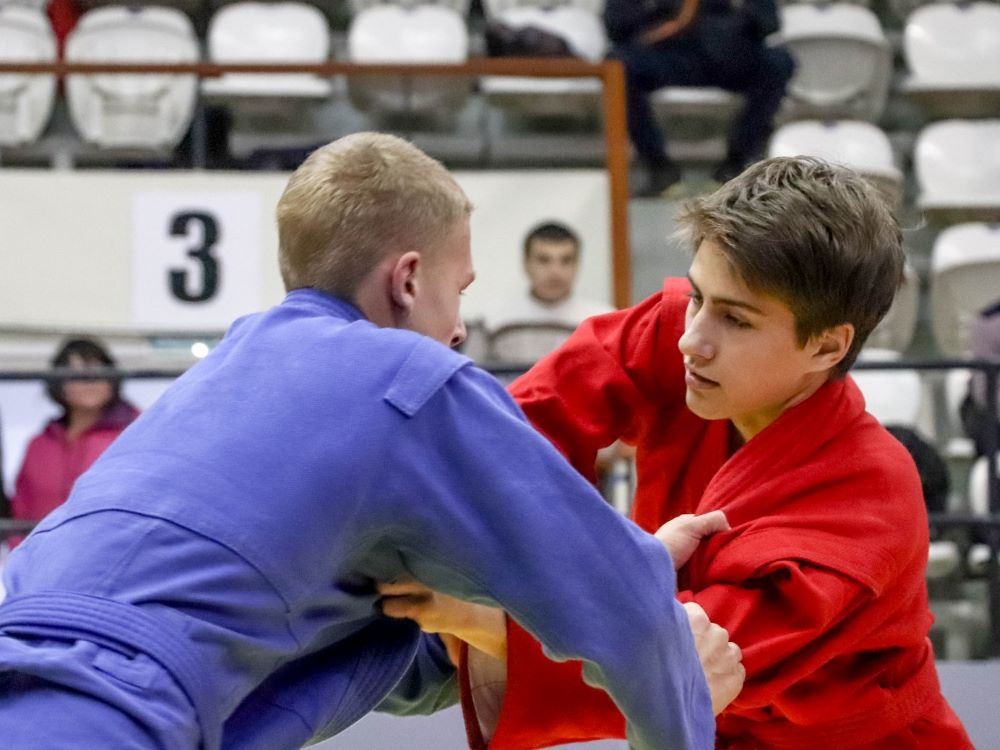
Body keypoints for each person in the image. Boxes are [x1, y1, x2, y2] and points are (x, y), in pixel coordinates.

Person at [0, 132, 744, 750]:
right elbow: (630, 617)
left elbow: (380, 645)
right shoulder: (405, 375)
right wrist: (644, 597)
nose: (458, 326)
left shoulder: (218, 378)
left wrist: (554, 591)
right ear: (410, 280)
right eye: (462, 288)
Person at [384, 157, 973, 748]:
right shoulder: (685, 339)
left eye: (735, 320)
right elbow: (517, 431)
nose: (693, 339)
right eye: (698, 296)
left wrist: (474, 611)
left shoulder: (870, 496)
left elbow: (688, 659)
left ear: (826, 346)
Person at [604, 0, 795, 197]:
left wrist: (735, 19)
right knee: (616, 66)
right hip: (664, 52)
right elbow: (616, 25)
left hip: (727, 51)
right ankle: (658, 166)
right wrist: (660, 23)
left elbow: (768, 23)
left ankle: (738, 162)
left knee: (777, 62)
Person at [8, 337, 139, 541]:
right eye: (78, 374)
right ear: (59, 383)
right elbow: (22, 509)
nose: (90, 382)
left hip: (112, 557)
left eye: (98, 371)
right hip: (44, 560)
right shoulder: (40, 445)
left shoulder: (134, 433)